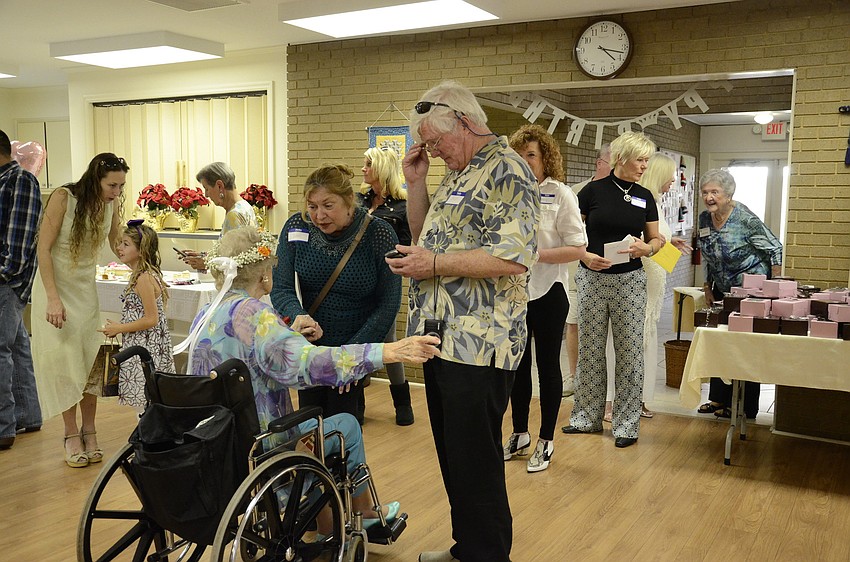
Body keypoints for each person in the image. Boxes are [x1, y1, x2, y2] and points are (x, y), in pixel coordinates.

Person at [187, 227, 440, 527]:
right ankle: (366, 514)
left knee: (316, 428)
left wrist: (288, 336)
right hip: (264, 442)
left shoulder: (206, 314)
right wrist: (387, 351)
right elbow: (312, 365)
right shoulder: (257, 316)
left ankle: (325, 521)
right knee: (345, 426)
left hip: (218, 439)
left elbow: (246, 353)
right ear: (263, 275)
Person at [388, 80, 539, 562]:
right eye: (427, 144)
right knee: (454, 456)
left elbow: (514, 258)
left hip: (481, 342)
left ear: (468, 123)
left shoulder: (508, 170)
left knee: (476, 461)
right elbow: (423, 233)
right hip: (439, 336)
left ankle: (488, 554)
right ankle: (467, 548)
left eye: (437, 141)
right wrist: (416, 184)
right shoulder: (459, 169)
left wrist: (432, 265)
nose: (434, 151)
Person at [271, 164, 401, 425]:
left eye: (328, 205)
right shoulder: (297, 226)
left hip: (355, 345)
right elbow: (281, 287)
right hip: (311, 351)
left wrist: (352, 358)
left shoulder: (379, 233)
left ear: (349, 200)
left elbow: (388, 303)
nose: (319, 215)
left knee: (344, 426)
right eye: (312, 206)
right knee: (310, 426)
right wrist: (299, 316)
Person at [560, 131, 663, 449]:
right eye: (640, 159)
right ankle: (586, 418)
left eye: (648, 160)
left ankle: (626, 424)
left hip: (630, 280)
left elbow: (657, 240)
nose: (645, 165)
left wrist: (647, 249)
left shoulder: (645, 196)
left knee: (630, 353)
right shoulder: (590, 193)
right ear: (622, 158)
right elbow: (573, 236)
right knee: (590, 350)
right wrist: (585, 255)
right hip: (592, 277)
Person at [32, 152, 127, 467]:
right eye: (112, 185)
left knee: (89, 362)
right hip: (55, 288)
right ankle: (70, 433)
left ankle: (90, 429)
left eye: (120, 186)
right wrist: (52, 297)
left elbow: (117, 243)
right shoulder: (63, 198)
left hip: (85, 292)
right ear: (96, 178)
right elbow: (42, 248)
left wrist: (144, 257)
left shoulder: (111, 205)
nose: (116, 192)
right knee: (63, 362)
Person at [503, 124, 586, 473]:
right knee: (517, 368)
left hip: (549, 291)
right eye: (519, 155)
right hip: (513, 293)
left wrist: (535, 255)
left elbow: (578, 248)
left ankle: (546, 441)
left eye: (531, 155)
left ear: (545, 159)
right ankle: (520, 433)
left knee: (547, 366)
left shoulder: (561, 194)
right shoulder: (504, 194)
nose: (524, 161)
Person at [602, 153, 692, 420]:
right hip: (634, 279)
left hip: (653, 282)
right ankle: (612, 401)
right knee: (624, 339)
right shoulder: (636, 202)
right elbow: (629, 241)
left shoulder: (655, 202)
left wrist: (669, 243)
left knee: (645, 339)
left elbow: (655, 239)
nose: (673, 182)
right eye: (669, 177)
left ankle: (637, 396)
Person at [696, 168, 782, 420]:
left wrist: (775, 287)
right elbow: (708, 255)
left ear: (728, 193)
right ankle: (718, 398)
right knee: (721, 340)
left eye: (715, 192)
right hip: (723, 289)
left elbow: (775, 247)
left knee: (744, 346)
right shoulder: (704, 219)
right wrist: (707, 286)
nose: (709, 197)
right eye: (705, 192)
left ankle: (744, 405)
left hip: (750, 291)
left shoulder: (744, 218)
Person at [359, 146, 414, 425]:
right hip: (354, 281)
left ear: (381, 168)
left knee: (388, 340)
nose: (363, 169)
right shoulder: (357, 201)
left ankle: (403, 404)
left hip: (385, 281)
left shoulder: (403, 207)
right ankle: (355, 402)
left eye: (368, 164)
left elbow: (408, 246)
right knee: (355, 339)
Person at [99, 220, 174, 412]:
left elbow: (151, 318)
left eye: (126, 244)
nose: (119, 248)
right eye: (120, 243)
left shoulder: (143, 278)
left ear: (141, 251)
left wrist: (119, 328)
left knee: (146, 400)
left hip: (145, 347)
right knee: (146, 402)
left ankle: (147, 437)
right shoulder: (142, 275)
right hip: (141, 342)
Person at [0, 129, 43, 450]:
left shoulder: (20, 181)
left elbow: (17, 249)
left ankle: (3, 427)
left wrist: (6, 276)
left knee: (2, 352)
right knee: (15, 348)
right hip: (7, 283)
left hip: (7, 282)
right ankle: (27, 416)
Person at [563, 144, 611, 397]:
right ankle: (573, 377)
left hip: (610, 272)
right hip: (576, 268)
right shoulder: (575, 192)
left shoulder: (621, 192)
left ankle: (599, 383)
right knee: (574, 323)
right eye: (613, 164)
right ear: (599, 163)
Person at [179, 162, 257, 270]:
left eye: (206, 188)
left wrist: (207, 263)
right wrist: (204, 256)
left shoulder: (234, 215)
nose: (206, 194)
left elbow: (235, 260)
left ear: (220, 185)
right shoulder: (245, 206)